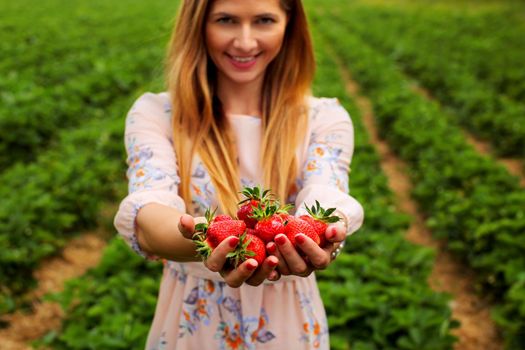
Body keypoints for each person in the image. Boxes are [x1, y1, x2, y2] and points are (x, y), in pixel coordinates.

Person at [114, 0, 364, 348]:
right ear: (198, 24)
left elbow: (327, 191)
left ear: (289, 24)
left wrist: (323, 234)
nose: (245, 42)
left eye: (263, 20)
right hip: (192, 326)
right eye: (226, 20)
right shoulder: (157, 113)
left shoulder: (323, 118)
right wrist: (212, 241)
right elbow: (148, 215)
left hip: (288, 327)